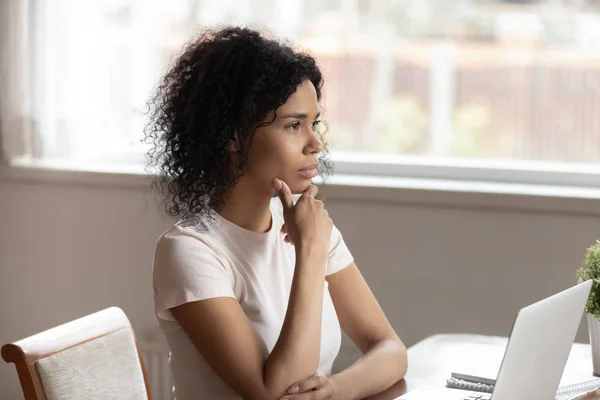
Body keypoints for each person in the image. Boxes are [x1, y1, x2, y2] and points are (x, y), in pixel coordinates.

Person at [145, 26, 407, 400]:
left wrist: (332, 390)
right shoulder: (190, 251)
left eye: (313, 124)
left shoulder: (311, 228)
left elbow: (391, 350)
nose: (316, 144)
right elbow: (276, 393)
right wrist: (311, 255)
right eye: (293, 125)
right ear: (233, 136)